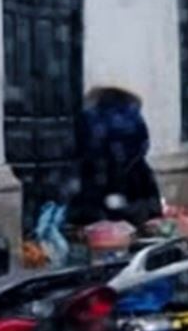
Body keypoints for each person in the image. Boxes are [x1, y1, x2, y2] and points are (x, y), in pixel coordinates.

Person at [67, 85, 163, 229]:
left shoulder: (135, 164)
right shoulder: (89, 162)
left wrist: (125, 210)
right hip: (102, 231)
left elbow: (153, 205)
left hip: (123, 231)